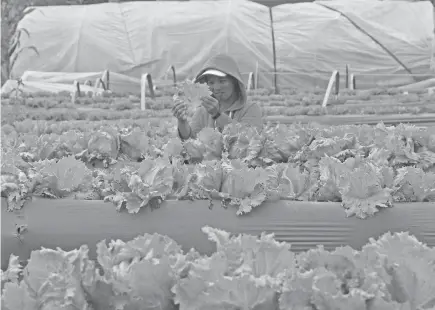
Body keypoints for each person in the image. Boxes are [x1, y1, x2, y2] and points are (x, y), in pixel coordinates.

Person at [172, 54, 263, 140]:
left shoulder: (250, 109)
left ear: (235, 82)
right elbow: (191, 140)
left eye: (222, 81)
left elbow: (248, 141)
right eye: (211, 83)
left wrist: (217, 115)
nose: (216, 88)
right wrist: (182, 121)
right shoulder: (203, 111)